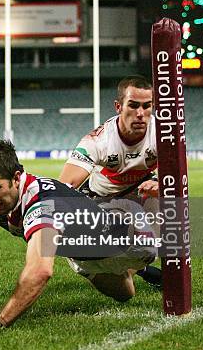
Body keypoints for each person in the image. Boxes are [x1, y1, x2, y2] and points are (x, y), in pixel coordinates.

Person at [0, 139, 158, 330]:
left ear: (16, 178)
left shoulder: (43, 204)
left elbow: (41, 271)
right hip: (81, 252)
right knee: (125, 295)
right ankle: (138, 271)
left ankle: (144, 259)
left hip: (126, 236)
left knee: (149, 249)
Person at [58, 75, 161, 286]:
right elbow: (64, 188)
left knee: (158, 236)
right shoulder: (98, 141)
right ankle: (89, 259)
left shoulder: (163, 134)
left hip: (140, 194)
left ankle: (137, 268)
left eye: (147, 106)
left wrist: (162, 185)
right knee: (124, 289)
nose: (141, 114)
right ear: (118, 106)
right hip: (101, 201)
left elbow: (180, 179)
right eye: (133, 106)